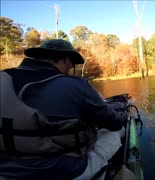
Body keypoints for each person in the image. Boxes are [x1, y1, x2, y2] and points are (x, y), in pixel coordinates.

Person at [0, 39, 127, 180]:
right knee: (114, 132)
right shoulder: (76, 85)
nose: (70, 68)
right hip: (65, 171)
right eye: (71, 64)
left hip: (5, 172)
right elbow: (115, 123)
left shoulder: (3, 78)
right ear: (66, 60)